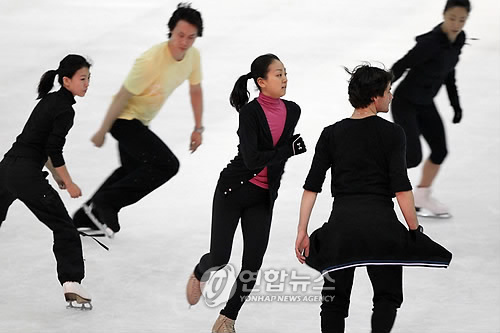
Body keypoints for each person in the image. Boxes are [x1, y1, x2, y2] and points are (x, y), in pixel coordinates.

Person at [295, 65, 452, 333]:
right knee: (387, 297)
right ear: (374, 97)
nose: (392, 97)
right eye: (388, 91)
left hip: (341, 228)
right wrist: (414, 230)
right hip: (382, 228)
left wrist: (302, 231)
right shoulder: (393, 133)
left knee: (333, 301)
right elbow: (402, 189)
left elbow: (312, 187)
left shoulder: (331, 133)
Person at [186, 54, 306, 332]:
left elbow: (272, 155)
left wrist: (282, 153)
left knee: (252, 263)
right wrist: (287, 151)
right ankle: (200, 271)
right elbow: (252, 160)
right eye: (278, 74)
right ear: (261, 82)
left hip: (263, 197)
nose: (285, 78)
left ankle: (227, 320)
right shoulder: (250, 113)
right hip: (233, 189)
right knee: (220, 258)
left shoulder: (293, 110)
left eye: (285, 72)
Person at [72, 3, 204, 238]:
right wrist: (102, 130)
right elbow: (123, 95)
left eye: (191, 37)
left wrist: (198, 127)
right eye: (180, 35)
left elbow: (195, 90)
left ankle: (85, 217)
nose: (184, 42)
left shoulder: (192, 57)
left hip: (140, 121)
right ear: (171, 31)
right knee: (167, 165)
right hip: (123, 120)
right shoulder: (150, 60)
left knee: (131, 169)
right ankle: (107, 202)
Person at [0, 54, 93, 309]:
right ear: (66, 80)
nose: (87, 84)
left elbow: (37, 142)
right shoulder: (65, 109)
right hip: (27, 175)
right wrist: (69, 182)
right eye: (82, 79)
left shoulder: (49, 101)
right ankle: (72, 283)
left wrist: (54, 174)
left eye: (88, 79)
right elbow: (54, 148)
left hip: (6, 168)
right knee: (64, 227)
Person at [390, 0, 471, 218]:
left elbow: (449, 73)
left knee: (440, 151)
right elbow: (402, 64)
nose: (456, 24)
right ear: (444, 15)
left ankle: (422, 196)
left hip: (425, 103)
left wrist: (455, 104)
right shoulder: (431, 43)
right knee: (412, 157)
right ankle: (371, 182)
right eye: (452, 18)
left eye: (461, 20)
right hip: (405, 102)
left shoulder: (458, 40)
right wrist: (380, 91)